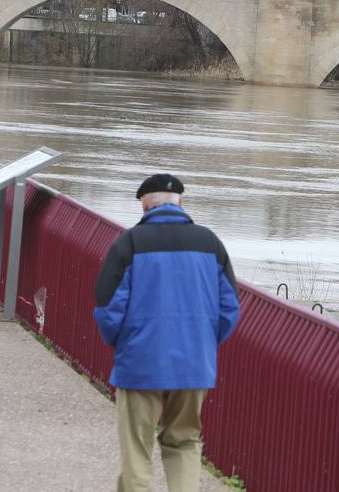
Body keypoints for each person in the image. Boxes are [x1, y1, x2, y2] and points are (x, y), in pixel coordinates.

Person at [93, 174, 242, 492]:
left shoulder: (129, 244)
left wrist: (122, 344)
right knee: (185, 441)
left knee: (137, 447)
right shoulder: (210, 244)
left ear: (144, 205)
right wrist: (202, 343)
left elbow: (108, 308)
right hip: (193, 363)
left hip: (140, 361)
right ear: (181, 203)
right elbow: (230, 308)